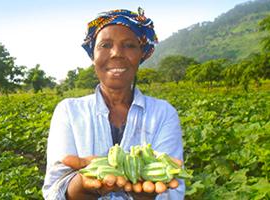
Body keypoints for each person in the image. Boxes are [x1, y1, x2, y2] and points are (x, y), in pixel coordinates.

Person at [42, 8, 185, 200]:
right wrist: (81, 188)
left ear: (141, 55)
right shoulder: (68, 111)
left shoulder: (163, 113)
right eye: (105, 45)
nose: (117, 53)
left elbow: (173, 192)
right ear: (93, 56)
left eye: (129, 45)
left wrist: (145, 196)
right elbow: (54, 191)